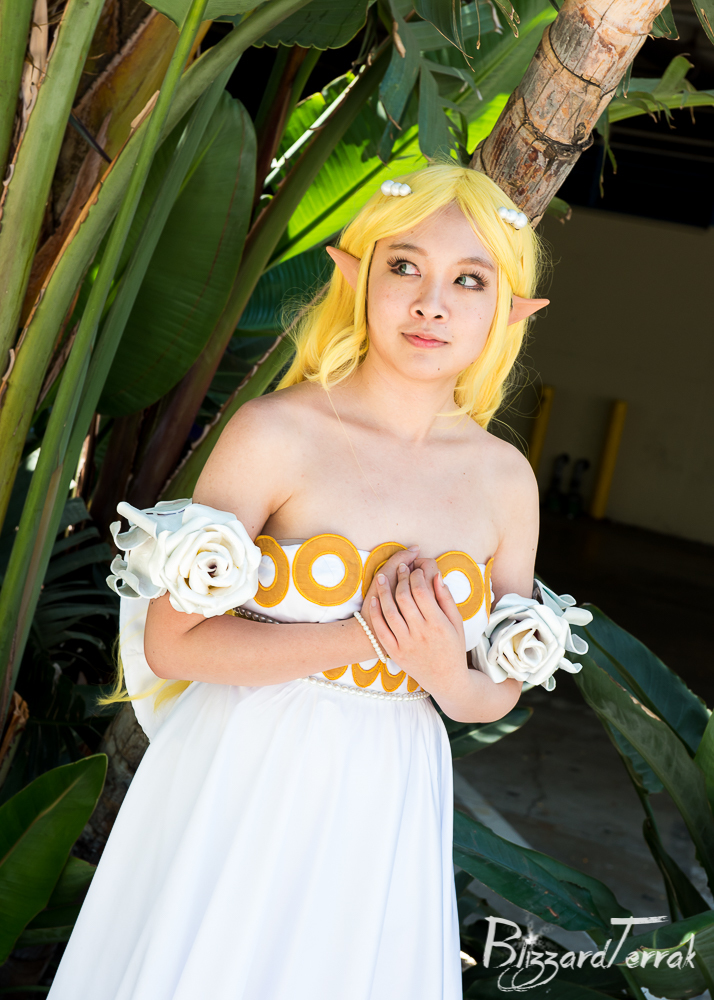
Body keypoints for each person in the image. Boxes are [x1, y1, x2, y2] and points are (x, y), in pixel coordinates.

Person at [48, 163, 577, 1000]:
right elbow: (174, 644)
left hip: (390, 783)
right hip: (249, 766)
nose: (431, 303)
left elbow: (495, 691)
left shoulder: (505, 480)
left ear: (512, 311)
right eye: (404, 266)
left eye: (469, 280)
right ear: (354, 274)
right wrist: (362, 637)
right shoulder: (275, 433)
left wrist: (444, 673)